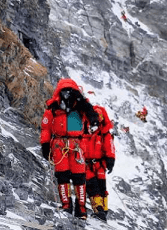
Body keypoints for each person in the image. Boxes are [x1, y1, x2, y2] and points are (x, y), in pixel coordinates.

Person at [40, 78, 99, 220]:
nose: (67, 94)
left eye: (70, 91)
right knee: (63, 176)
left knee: (79, 177)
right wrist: (45, 146)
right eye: (65, 91)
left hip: (76, 145)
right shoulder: (53, 108)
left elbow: (92, 114)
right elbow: (46, 128)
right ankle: (67, 205)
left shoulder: (82, 106)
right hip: (60, 145)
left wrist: (94, 119)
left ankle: (80, 209)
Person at [84, 105, 115, 221]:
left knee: (102, 186)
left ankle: (103, 210)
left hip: (100, 165)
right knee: (92, 186)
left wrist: (110, 160)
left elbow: (109, 147)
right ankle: (99, 209)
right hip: (87, 165)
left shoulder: (105, 134)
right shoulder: (85, 129)